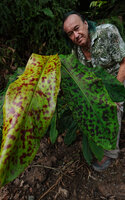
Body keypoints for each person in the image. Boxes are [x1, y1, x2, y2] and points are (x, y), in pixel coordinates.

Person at [62, 11, 125, 172]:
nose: (76, 35)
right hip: (100, 85)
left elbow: (124, 62)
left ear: (85, 23)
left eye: (77, 28)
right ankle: (98, 141)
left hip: (120, 77)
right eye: (70, 34)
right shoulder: (76, 52)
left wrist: (113, 95)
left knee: (111, 106)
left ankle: (111, 152)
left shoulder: (107, 32)